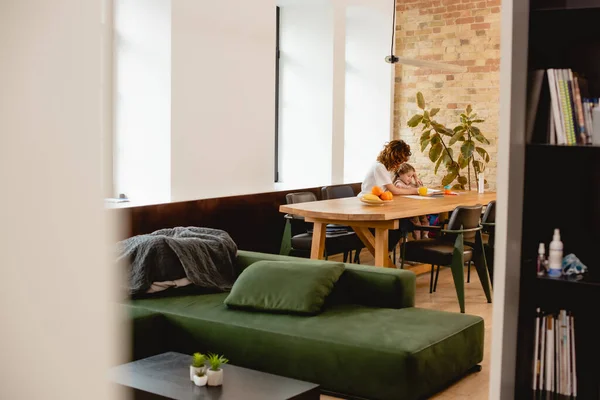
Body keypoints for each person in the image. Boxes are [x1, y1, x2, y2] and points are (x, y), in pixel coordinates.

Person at [394, 163, 430, 239]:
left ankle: (425, 235)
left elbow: (420, 188)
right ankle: (417, 240)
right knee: (417, 222)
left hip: (416, 207)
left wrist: (416, 178)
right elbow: (408, 189)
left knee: (424, 219)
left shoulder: (409, 183)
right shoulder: (399, 183)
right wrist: (414, 188)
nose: (410, 178)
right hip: (408, 209)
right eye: (408, 176)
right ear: (400, 174)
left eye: (411, 176)